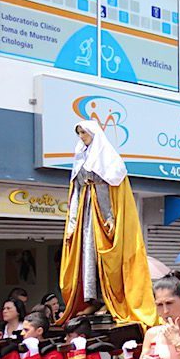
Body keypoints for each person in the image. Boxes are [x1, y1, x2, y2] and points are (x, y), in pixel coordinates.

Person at [59, 120, 157, 326]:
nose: (81, 137)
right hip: (87, 213)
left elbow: (110, 189)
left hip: (103, 215)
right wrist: (72, 223)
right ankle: (92, 299)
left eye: (84, 133)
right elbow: (75, 192)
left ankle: (109, 300)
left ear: (94, 134)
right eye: (79, 134)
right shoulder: (80, 158)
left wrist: (110, 217)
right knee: (87, 258)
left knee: (105, 259)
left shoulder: (110, 159)